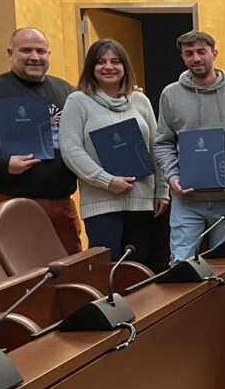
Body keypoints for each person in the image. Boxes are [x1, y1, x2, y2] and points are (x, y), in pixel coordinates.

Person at [0, 27, 82, 253]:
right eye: (26, 50)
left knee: (70, 270)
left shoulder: (66, 91)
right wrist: (3, 163)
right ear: (11, 53)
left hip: (61, 203)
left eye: (41, 51)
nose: (34, 57)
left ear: (49, 55)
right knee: (19, 274)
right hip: (10, 201)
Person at [58, 40, 169, 266]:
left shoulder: (140, 101)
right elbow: (71, 150)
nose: (109, 67)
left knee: (138, 271)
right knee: (104, 271)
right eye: (101, 62)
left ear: (125, 67)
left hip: (142, 202)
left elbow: (156, 147)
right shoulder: (78, 102)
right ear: (91, 67)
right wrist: (107, 181)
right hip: (102, 204)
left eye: (115, 61)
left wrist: (162, 190)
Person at [153, 31, 225, 263]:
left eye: (201, 52)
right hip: (186, 200)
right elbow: (163, 142)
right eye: (189, 54)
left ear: (214, 54)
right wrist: (173, 177)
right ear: (183, 59)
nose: (196, 58)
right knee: (181, 265)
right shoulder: (170, 94)